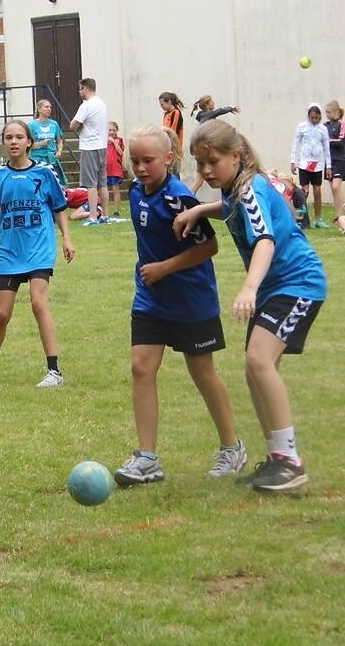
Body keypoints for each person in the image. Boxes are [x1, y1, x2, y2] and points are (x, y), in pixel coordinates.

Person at [175, 120, 326, 492]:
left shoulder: (251, 191)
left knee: (259, 361)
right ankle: (278, 457)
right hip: (277, 288)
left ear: (236, 157)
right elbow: (228, 208)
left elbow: (264, 241)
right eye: (200, 164)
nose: (207, 171)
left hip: (297, 284)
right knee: (255, 368)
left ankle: (290, 462)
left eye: (213, 162)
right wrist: (199, 211)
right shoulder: (234, 189)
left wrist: (249, 286)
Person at [113, 126, 246, 486]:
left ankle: (232, 447)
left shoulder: (179, 198)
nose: (139, 168)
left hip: (191, 299)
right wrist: (151, 274)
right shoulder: (135, 192)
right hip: (151, 298)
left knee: (202, 372)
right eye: (135, 161)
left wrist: (164, 268)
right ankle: (147, 458)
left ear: (169, 159)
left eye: (148, 161)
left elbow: (209, 248)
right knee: (141, 367)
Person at [0, 119, 75, 389]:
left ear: (29, 142)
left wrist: (66, 238)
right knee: (3, 313)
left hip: (39, 250)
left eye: (19, 137)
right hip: (9, 253)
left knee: (38, 303)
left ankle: (54, 371)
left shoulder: (44, 173)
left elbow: (59, 208)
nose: (14, 141)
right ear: (4, 143)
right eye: (9, 137)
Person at [70, 78, 109, 224]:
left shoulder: (86, 105)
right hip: (102, 146)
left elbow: (73, 125)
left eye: (80, 89)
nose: (80, 92)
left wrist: (80, 126)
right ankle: (105, 214)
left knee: (91, 184)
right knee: (102, 183)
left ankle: (93, 216)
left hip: (89, 147)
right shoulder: (101, 103)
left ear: (85, 89)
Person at [290, 103, 331, 228]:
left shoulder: (323, 129)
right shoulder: (302, 127)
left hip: (317, 164)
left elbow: (326, 148)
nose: (314, 120)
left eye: (316, 118)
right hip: (304, 163)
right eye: (312, 117)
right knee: (304, 191)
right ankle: (301, 218)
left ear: (320, 117)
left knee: (317, 191)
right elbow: (296, 144)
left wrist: (328, 166)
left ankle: (318, 219)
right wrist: (293, 161)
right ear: (308, 116)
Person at [189, 96, 241, 193]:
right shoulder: (208, 115)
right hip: (206, 148)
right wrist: (231, 108)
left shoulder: (201, 115)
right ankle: (187, 199)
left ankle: (187, 199)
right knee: (198, 182)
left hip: (203, 148)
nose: (214, 103)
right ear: (207, 105)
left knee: (198, 182)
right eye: (212, 102)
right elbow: (220, 111)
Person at [29, 99, 67, 186]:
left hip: (52, 159)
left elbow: (59, 141)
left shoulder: (54, 124)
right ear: (39, 109)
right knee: (39, 185)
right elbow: (28, 145)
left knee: (57, 184)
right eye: (46, 107)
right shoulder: (32, 125)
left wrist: (59, 151)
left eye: (50, 107)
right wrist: (41, 144)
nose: (49, 109)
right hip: (37, 159)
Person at [324, 101, 345, 232]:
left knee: (337, 186)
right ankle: (339, 216)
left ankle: (343, 212)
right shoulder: (324, 126)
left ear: (336, 112)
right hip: (329, 161)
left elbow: (341, 141)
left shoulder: (341, 124)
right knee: (332, 188)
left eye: (328, 112)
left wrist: (328, 141)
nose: (326, 115)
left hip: (340, 159)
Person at [106, 121, 125, 216]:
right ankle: (103, 209)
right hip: (105, 170)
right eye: (109, 130)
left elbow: (121, 152)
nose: (111, 132)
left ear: (117, 130)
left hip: (115, 169)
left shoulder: (119, 140)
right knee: (103, 190)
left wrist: (113, 142)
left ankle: (116, 210)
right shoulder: (104, 141)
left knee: (115, 190)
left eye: (114, 130)